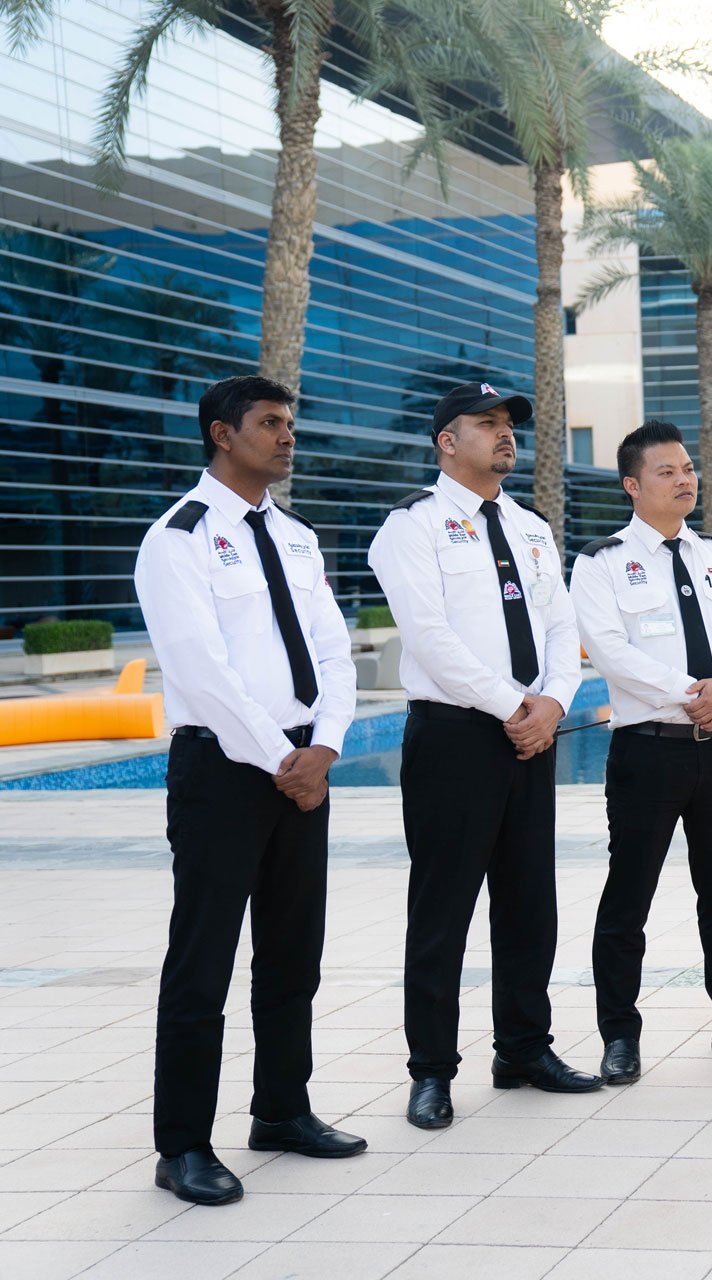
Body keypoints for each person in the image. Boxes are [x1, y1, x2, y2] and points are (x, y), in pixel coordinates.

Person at [134, 375, 365, 1205]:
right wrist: (282, 758)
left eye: (290, 423)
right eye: (269, 423)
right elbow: (204, 669)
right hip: (226, 773)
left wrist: (328, 744)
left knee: (292, 954)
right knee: (202, 961)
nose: (287, 436)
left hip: (305, 769)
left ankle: (281, 1110)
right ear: (221, 435)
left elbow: (333, 653)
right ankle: (184, 1146)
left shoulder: (300, 539)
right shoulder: (180, 539)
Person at [367, 380, 601, 1130]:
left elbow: (563, 630)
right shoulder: (413, 527)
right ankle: (431, 1071)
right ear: (447, 440)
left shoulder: (531, 527)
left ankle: (524, 1049)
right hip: (457, 737)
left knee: (530, 902)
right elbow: (430, 637)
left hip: (532, 734)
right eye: (488, 424)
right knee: (443, 910)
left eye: (509, 426)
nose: (505, 436)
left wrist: (554, 702)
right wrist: (514, 707)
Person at [572, 421, 712, 1070]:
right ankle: (620, 1036)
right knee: (628, 896)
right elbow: (610, 650)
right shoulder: (602, 561)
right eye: (667, 471)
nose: (684, 479)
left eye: (689, 468)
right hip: (648, 749)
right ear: (633, 486)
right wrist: (694, 691)